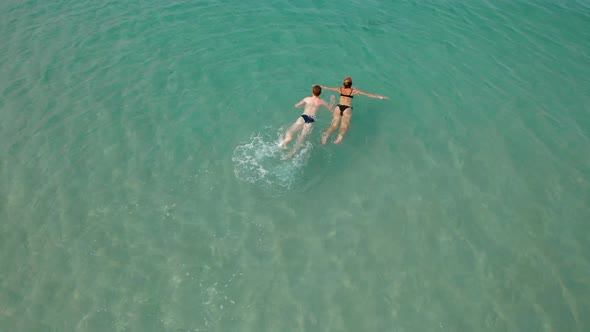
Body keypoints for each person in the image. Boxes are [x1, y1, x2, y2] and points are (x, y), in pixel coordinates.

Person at [317, 77, 388, 144]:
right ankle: (339, 138)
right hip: (347, 109)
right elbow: (368, 95)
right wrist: (381, 97)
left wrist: (318, 86)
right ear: (351, 84)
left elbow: (327, 87)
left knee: (333, 125)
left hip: (338, 108)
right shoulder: (354, 91)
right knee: (344, 127)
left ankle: (325, 136)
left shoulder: (340, 89)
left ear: (343, 84)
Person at [279, 85, 334, 158]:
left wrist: (300, 107)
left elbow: (297, 105)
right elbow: (331, 109)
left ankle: (287, 138)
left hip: (304, 116)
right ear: (320, 93)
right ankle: (291, 153)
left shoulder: (307, 99)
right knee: (302, 136)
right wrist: (332, 100)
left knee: (289, 131)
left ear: (312, 92)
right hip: (310, 119)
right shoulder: (321, 102)